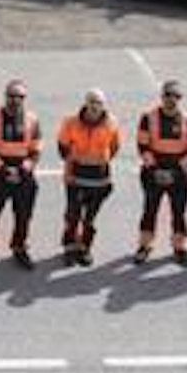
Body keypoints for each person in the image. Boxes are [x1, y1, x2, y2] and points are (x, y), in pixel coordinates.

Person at [0, 79, 41, 272]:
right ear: (5, 96)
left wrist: (21, 170)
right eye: (11, 96)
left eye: (19, 96)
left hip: (24, 176)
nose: (15, 100)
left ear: (24, 98)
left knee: (23, 216)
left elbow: (36, 150)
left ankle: (19, 248)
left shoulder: (32, 120)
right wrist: (4, 170)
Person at [134, 80, 187, 267]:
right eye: (168, 95)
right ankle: (144, 246)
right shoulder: (148, 117)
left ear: (180, 98)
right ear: (162, 96)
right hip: (153, 173)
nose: (171, 99)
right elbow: (142, 146)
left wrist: (175, 173)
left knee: (179, 212)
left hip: (178, 175)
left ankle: (180, 248)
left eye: (176, 96)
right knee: (149, 210)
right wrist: (156, 171)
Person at [57, 89, 121, 267]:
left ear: (103, 105)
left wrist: (99, 160)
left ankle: (84, 248)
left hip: (100, 179)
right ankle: (69, 247)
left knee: (89, 218)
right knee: (73, 215)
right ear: (85, 103)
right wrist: (78, 160)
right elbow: (62, 148)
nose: (95, 106)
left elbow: (115, 146)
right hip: (76, 176)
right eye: (92, 101)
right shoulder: (70, 122)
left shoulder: (112, 123)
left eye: (99, 102)